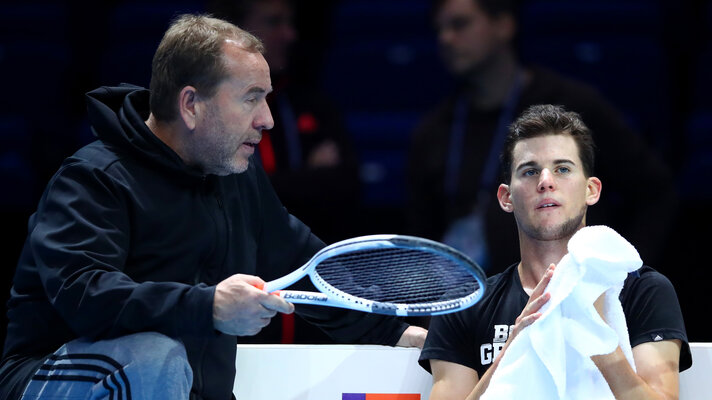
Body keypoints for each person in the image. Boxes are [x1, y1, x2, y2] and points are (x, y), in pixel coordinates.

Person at [0, 15, 426, 400]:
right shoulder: (93, 177)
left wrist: (397, 332)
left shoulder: (238, 178)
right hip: (51, 378)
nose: (268, 119)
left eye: (267, 98)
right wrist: (209, 307)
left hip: (188, 390)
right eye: (251, 98)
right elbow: (84, 295)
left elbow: (306, 267)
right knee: (156, 355)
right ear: (191, 105)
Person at [419, 104, 692, 399]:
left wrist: (599, 341)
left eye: (562, 169)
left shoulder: (645, 292)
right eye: (530, 171)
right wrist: (511, 353)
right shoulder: (465, 306)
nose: (546, 181)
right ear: (506, 197)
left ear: (592, 190)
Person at [406, 0, 678, 275]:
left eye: (460, 24)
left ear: (504, 25)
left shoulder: (573, 106)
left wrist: (622, 276)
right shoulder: (434, 130)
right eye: (439, 29)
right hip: (474, 303)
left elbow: (654, 191)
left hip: (568, 295)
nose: (446, 38)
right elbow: (421, 233)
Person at [206, 0, 363, 345]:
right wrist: (305, 179)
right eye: (274, 21)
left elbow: (343, 186)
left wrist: (396, 332)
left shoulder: (313, 105)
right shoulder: (205, 146)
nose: (289, 34)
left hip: (308, 313)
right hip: (232, 322)